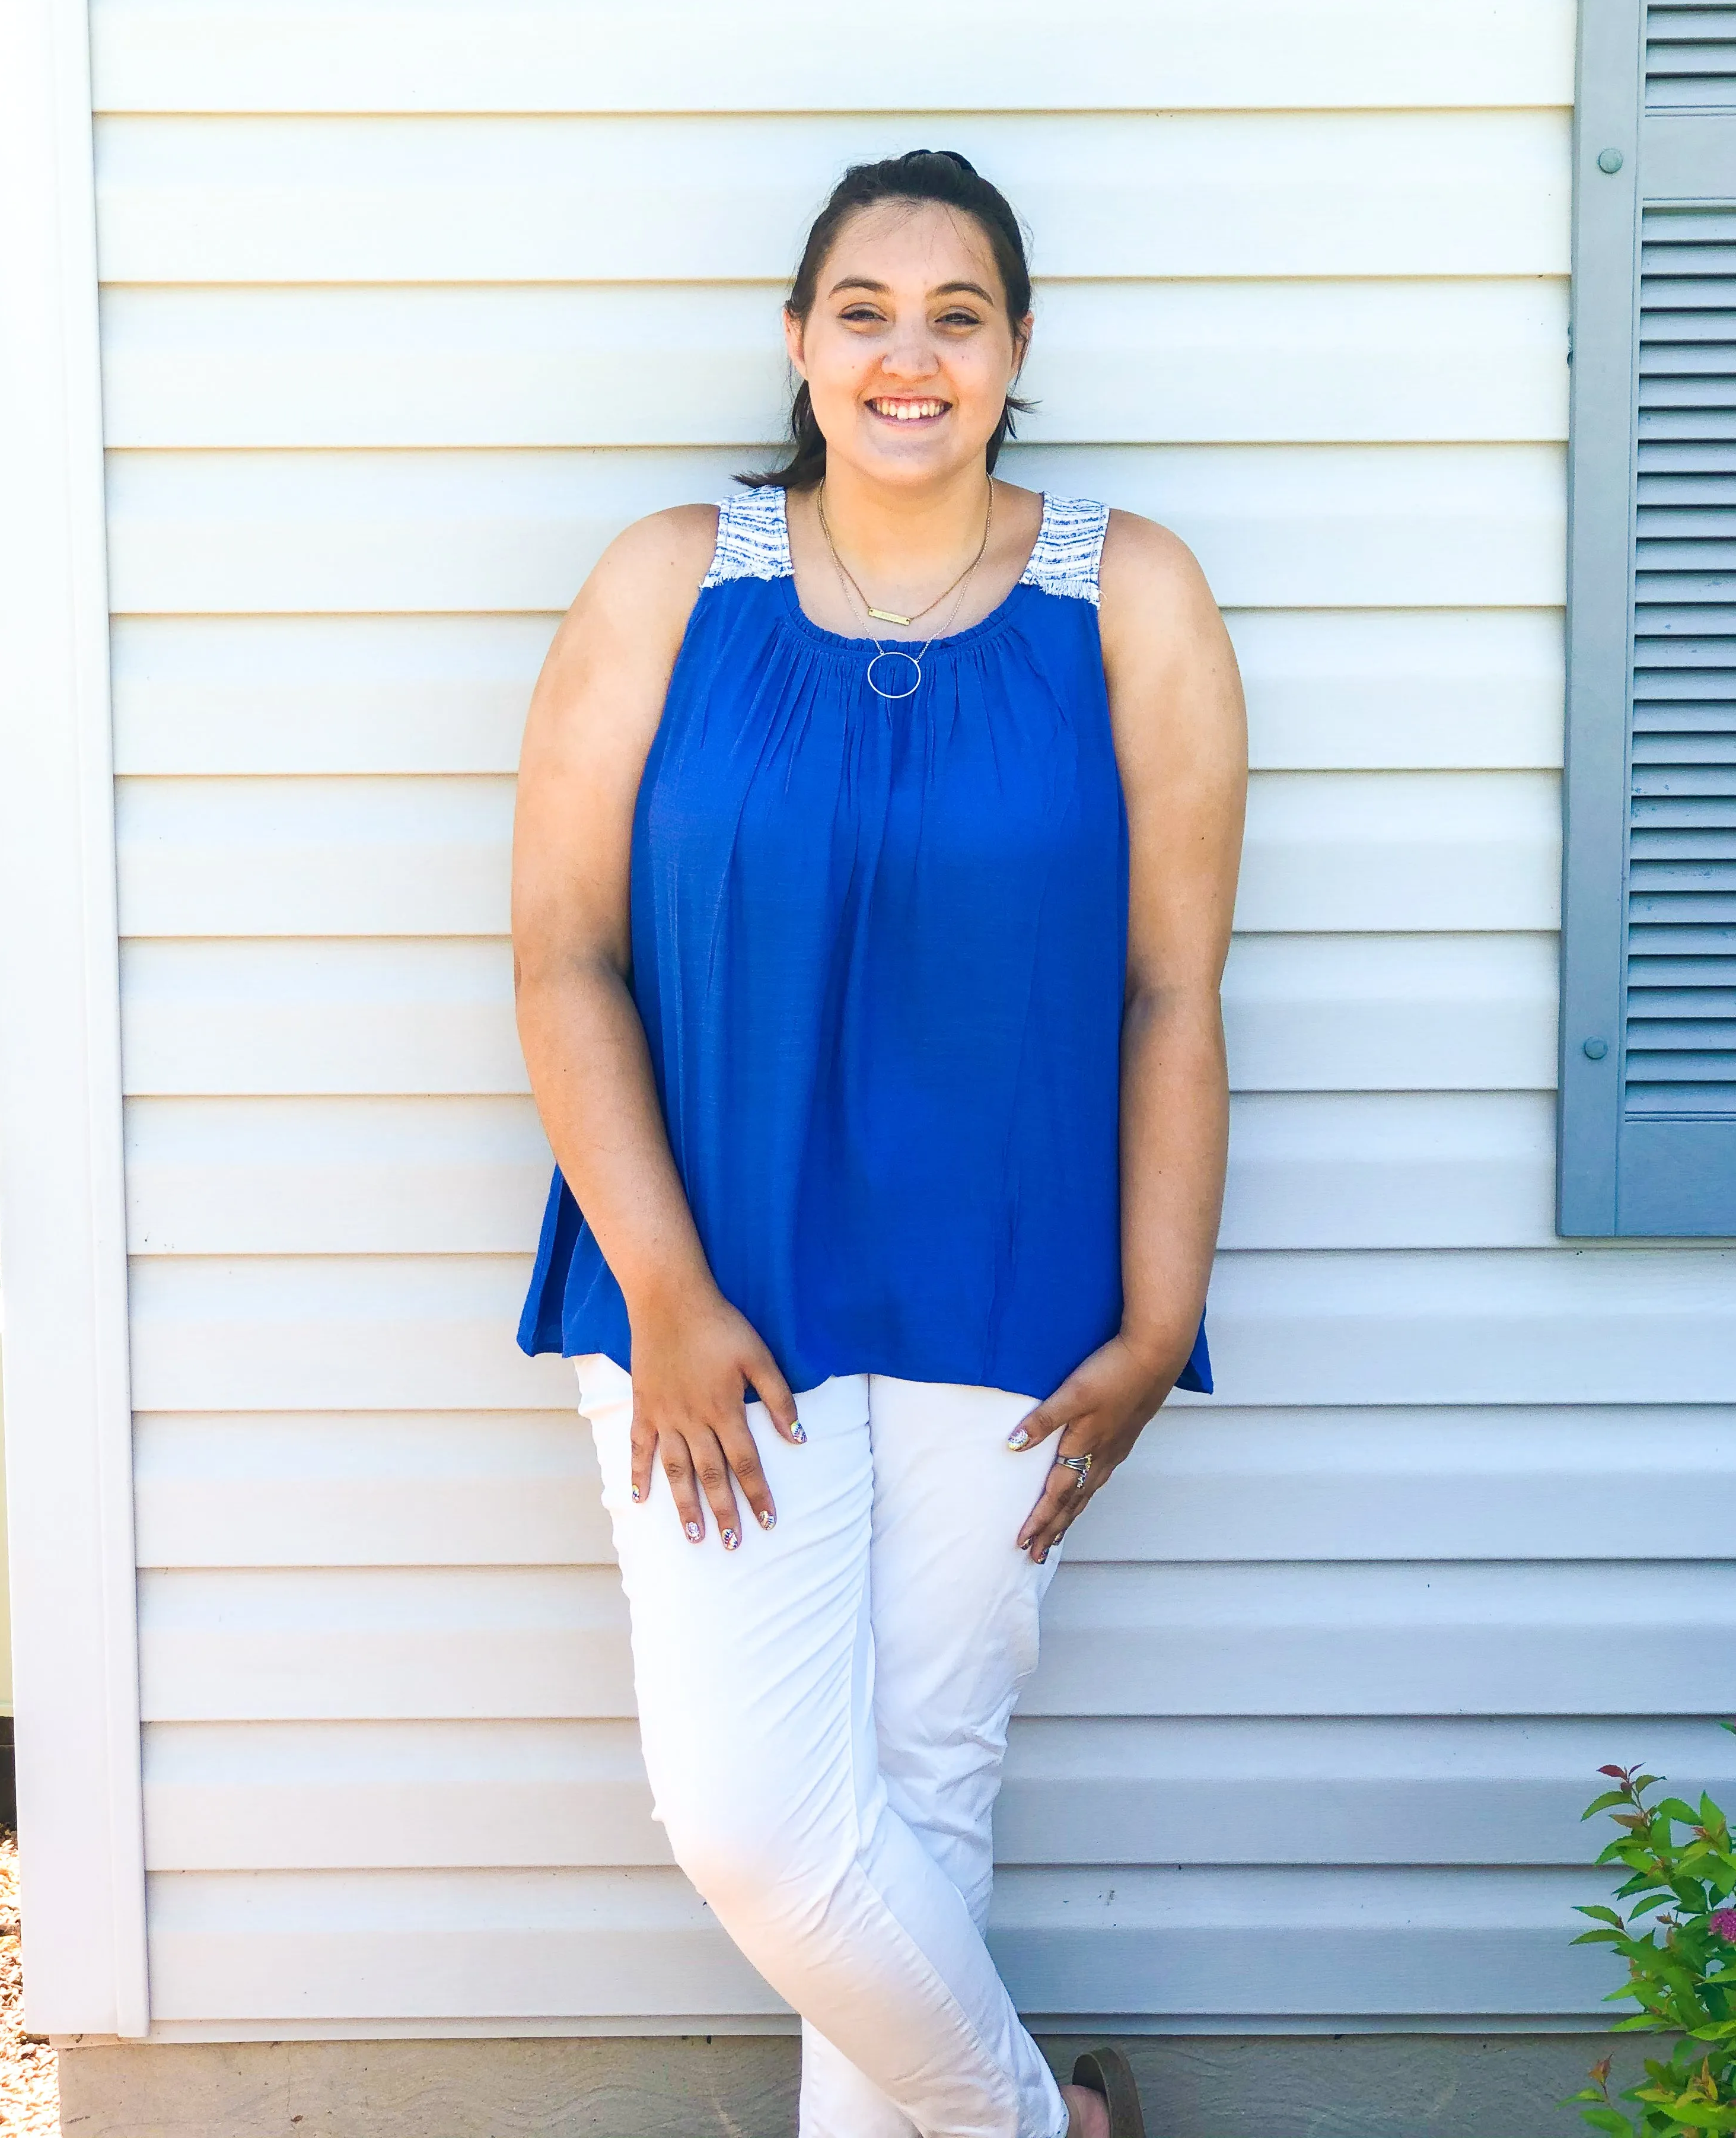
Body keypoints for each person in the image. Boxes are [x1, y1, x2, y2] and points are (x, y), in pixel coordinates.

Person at [511, 149, 1247, 2138]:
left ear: (1017, 351)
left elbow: (1174, 992)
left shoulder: (1135, 594)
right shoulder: (673, 577)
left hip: (1012, 1293)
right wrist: (662, 1285)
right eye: (865, 310)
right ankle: (1039, 2130)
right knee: (760, 1829)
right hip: (709, 1294)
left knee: (918, 1802)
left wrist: (1161, 1314)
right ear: (798, 344)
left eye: (957, 314)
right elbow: (563, 957)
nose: (908, 355)